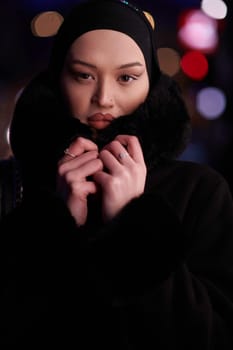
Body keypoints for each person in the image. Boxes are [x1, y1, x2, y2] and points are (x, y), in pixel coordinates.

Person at [0, 0, 233, 348]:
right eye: (83, 75)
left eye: (127, 77)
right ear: (57, 78)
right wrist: (54, 223)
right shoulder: (10, 183)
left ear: (150, 83)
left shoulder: (200, 191)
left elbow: (213, 336)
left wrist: (135, 222)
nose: (104, 98)